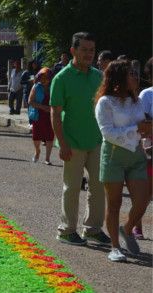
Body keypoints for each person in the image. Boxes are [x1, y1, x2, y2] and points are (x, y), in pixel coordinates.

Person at [50, 32, 110, 247]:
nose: (88, 54)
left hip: (96, 141)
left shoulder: (98, 76)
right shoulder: (61, 78)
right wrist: (62, 143)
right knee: (72, 187)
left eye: (91, 50)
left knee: (98, 187)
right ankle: (66, 231)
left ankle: (92, 229)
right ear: (73, 51)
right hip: (72, 143)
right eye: (84, 50)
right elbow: (55, 114)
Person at [95, 60, 151, 261]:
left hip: (136, 154)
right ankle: (115, 247)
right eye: (131, 74)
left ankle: (126, 229)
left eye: (135, 74)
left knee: (143, 200)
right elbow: (107, 133)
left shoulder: (136, 100)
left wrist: (147, 127)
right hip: (113, 155)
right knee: (115, 203)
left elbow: (140, 125)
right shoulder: (105, 102)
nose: (135, 77)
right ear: (119, 78)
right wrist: (137, 129)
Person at [134, 57, 153, 239]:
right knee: (145, 193)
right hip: (150, 149)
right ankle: (136, 225)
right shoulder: (146, 95)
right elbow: (143, 122)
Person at [28, 68, 55, 164]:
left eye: (46, 78)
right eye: (42, 77)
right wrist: (43, 107)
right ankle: (37, 151)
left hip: (51, 115)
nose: (44, 80)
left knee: (50, 136)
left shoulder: (54, 87)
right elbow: (30, 101)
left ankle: (47, 158)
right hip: (38, 115)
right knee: (36, 136)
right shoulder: (36, 87)